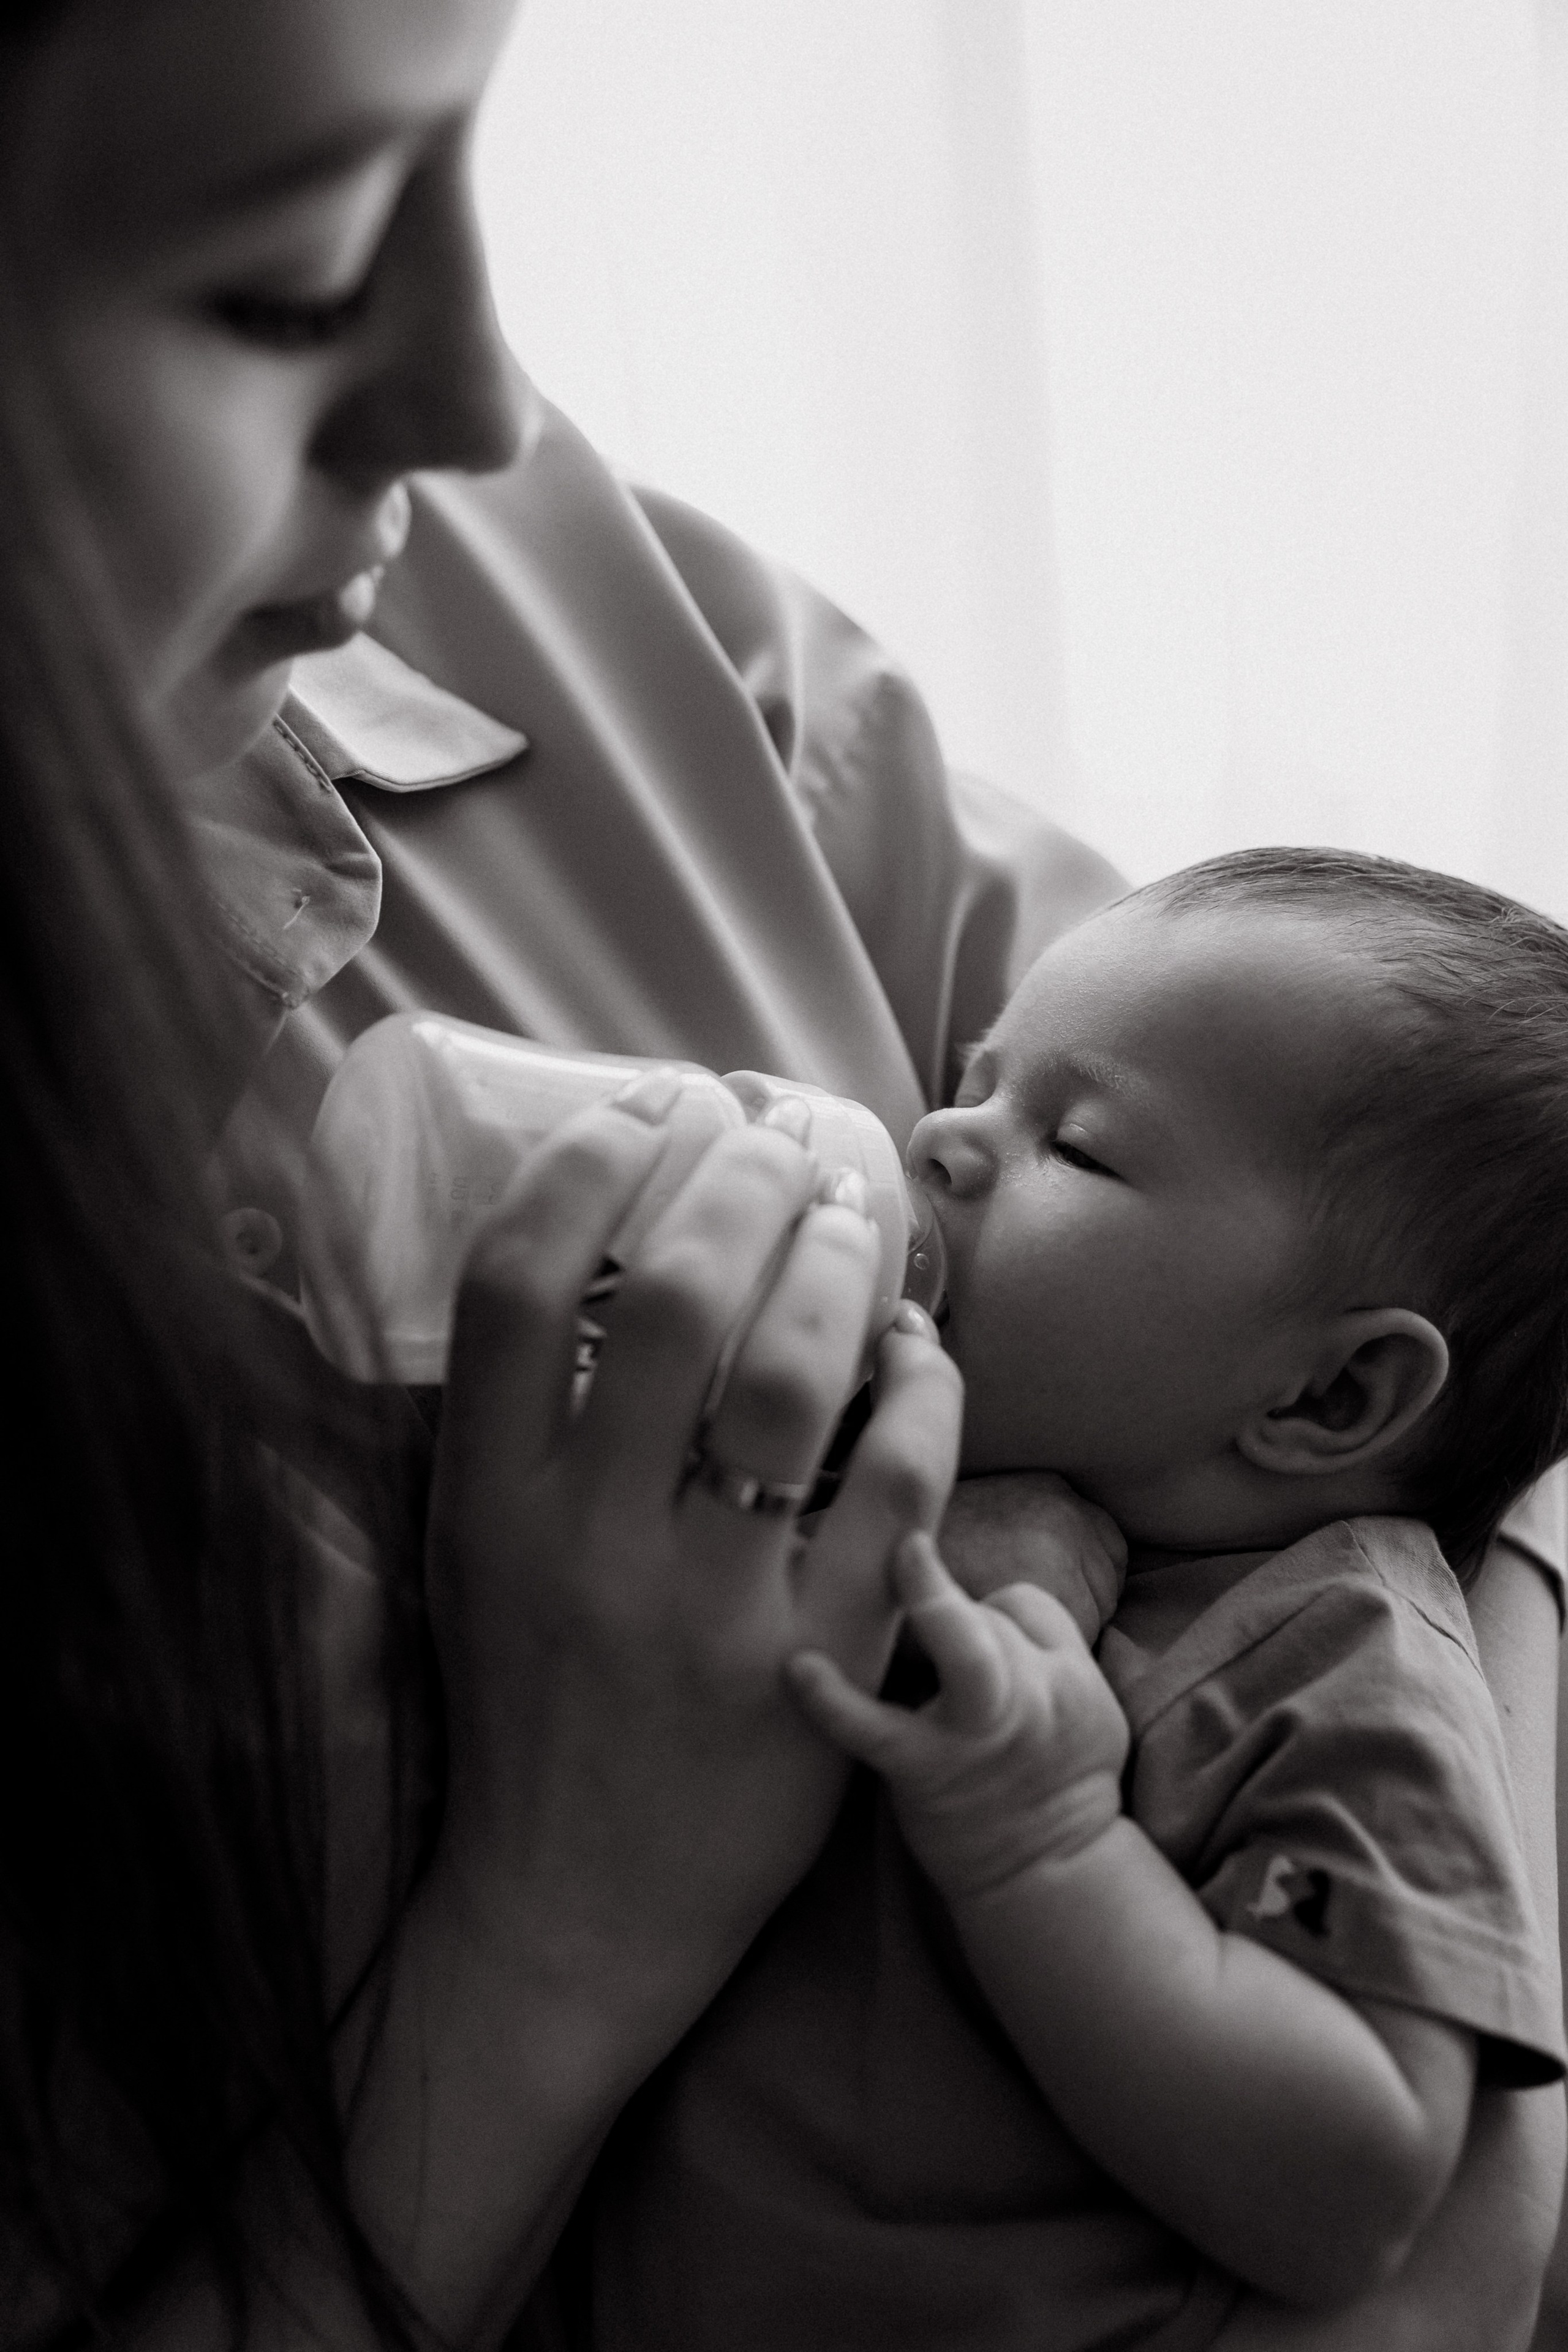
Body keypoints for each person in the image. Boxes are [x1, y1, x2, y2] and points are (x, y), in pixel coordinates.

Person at [2, 0, 1561, 2344]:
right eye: (286, 271)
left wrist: (1453, 2101)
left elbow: (1423, 1177)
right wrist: (562, 1917)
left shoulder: (522, 557)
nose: (485, 405)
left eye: (461, 165)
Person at [572, 848, 1567, 2348]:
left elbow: (1348, 2186)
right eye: (976, 1077)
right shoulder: (867, 1457)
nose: (944, 1138)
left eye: (1078, 1146)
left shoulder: (1347, 1661)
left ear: (1330, 1391)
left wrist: (1042, 1841)